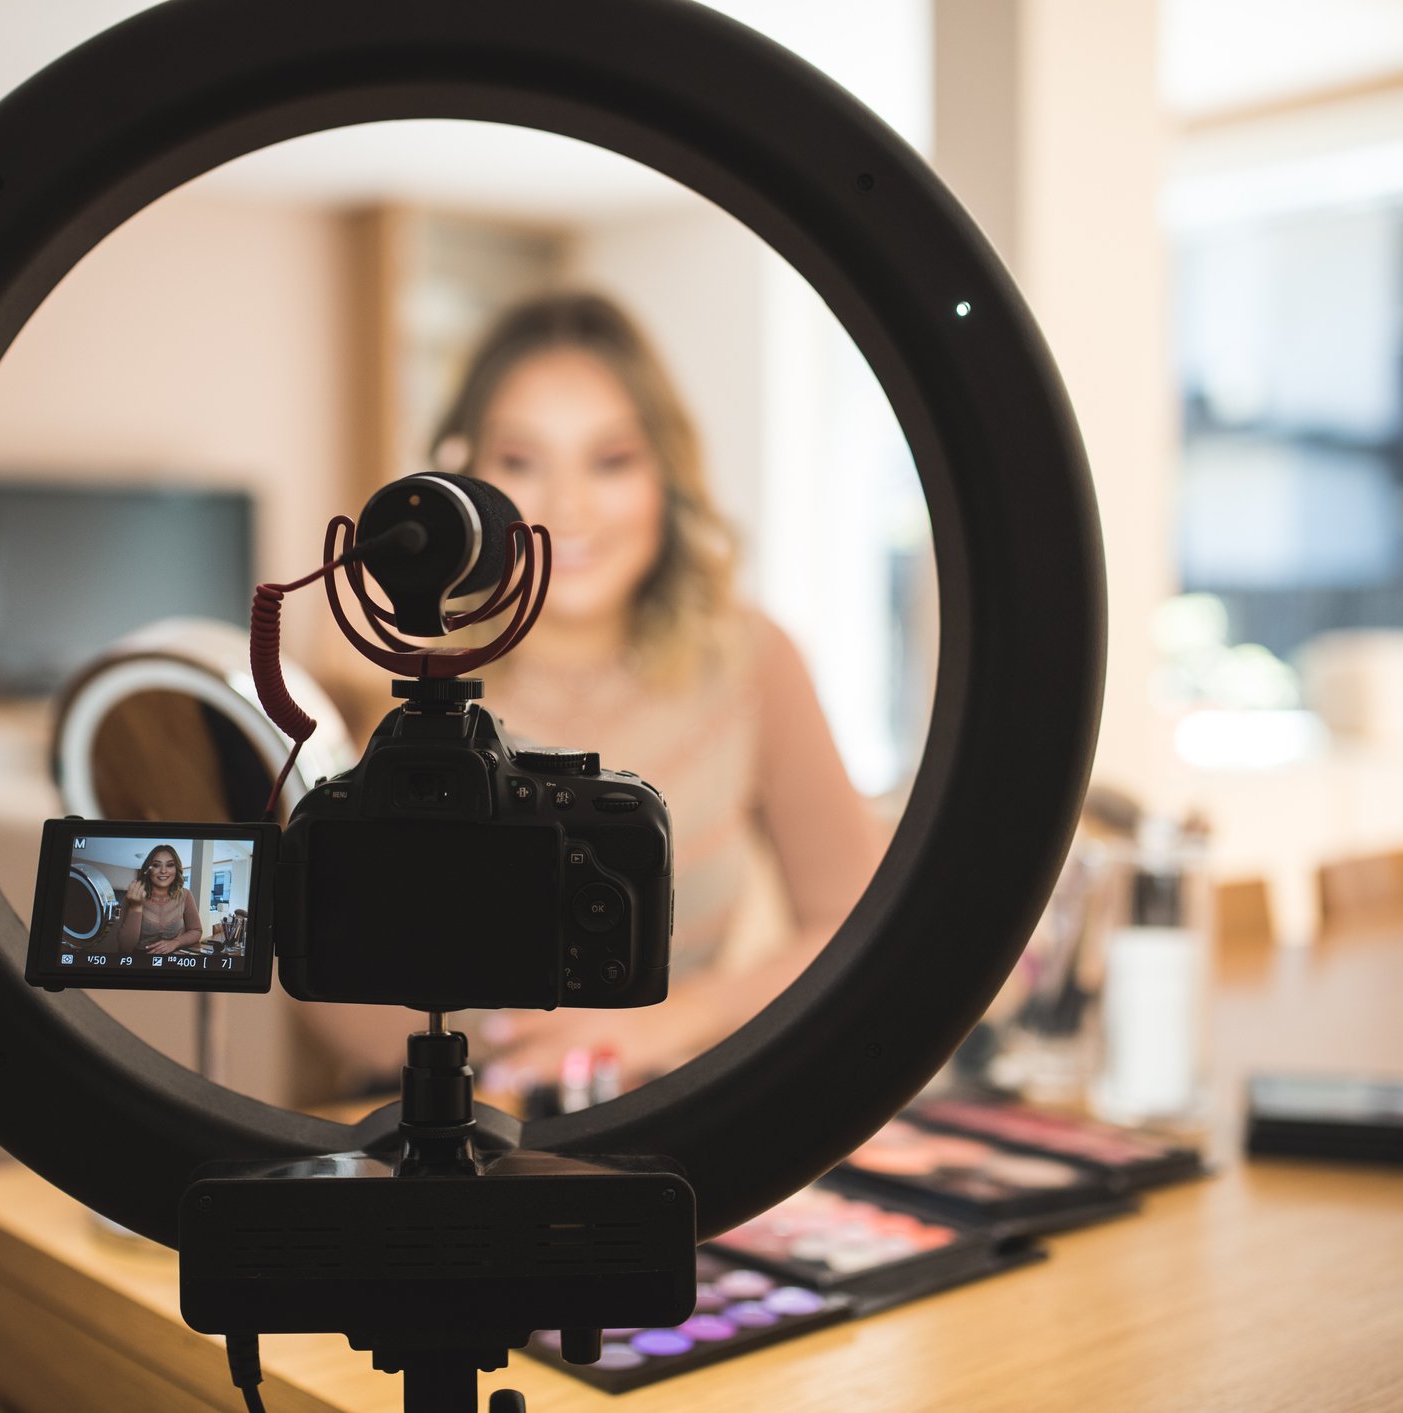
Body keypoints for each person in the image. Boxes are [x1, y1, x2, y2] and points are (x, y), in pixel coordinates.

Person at [309, 291, 885, 1090]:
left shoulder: (752, 660)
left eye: (610, 461)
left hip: (663, 1119)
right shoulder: (402, 676)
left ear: (665, 475)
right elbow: (329, 984)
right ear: (464, 476)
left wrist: (674, 1017)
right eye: (520, 462)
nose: (567, 507)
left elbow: (858, 927)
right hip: (437, 1118)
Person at [118, 844, 203, 957]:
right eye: (156, 865)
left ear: (176, 869)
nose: (163, 871)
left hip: (175, 960)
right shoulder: (133, 896)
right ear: (148, 870)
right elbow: (125, 948)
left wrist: (175, 943)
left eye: (170, 865)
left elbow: (196, 931)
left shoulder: (185, 895)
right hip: (139, 962)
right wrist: (136, 906)